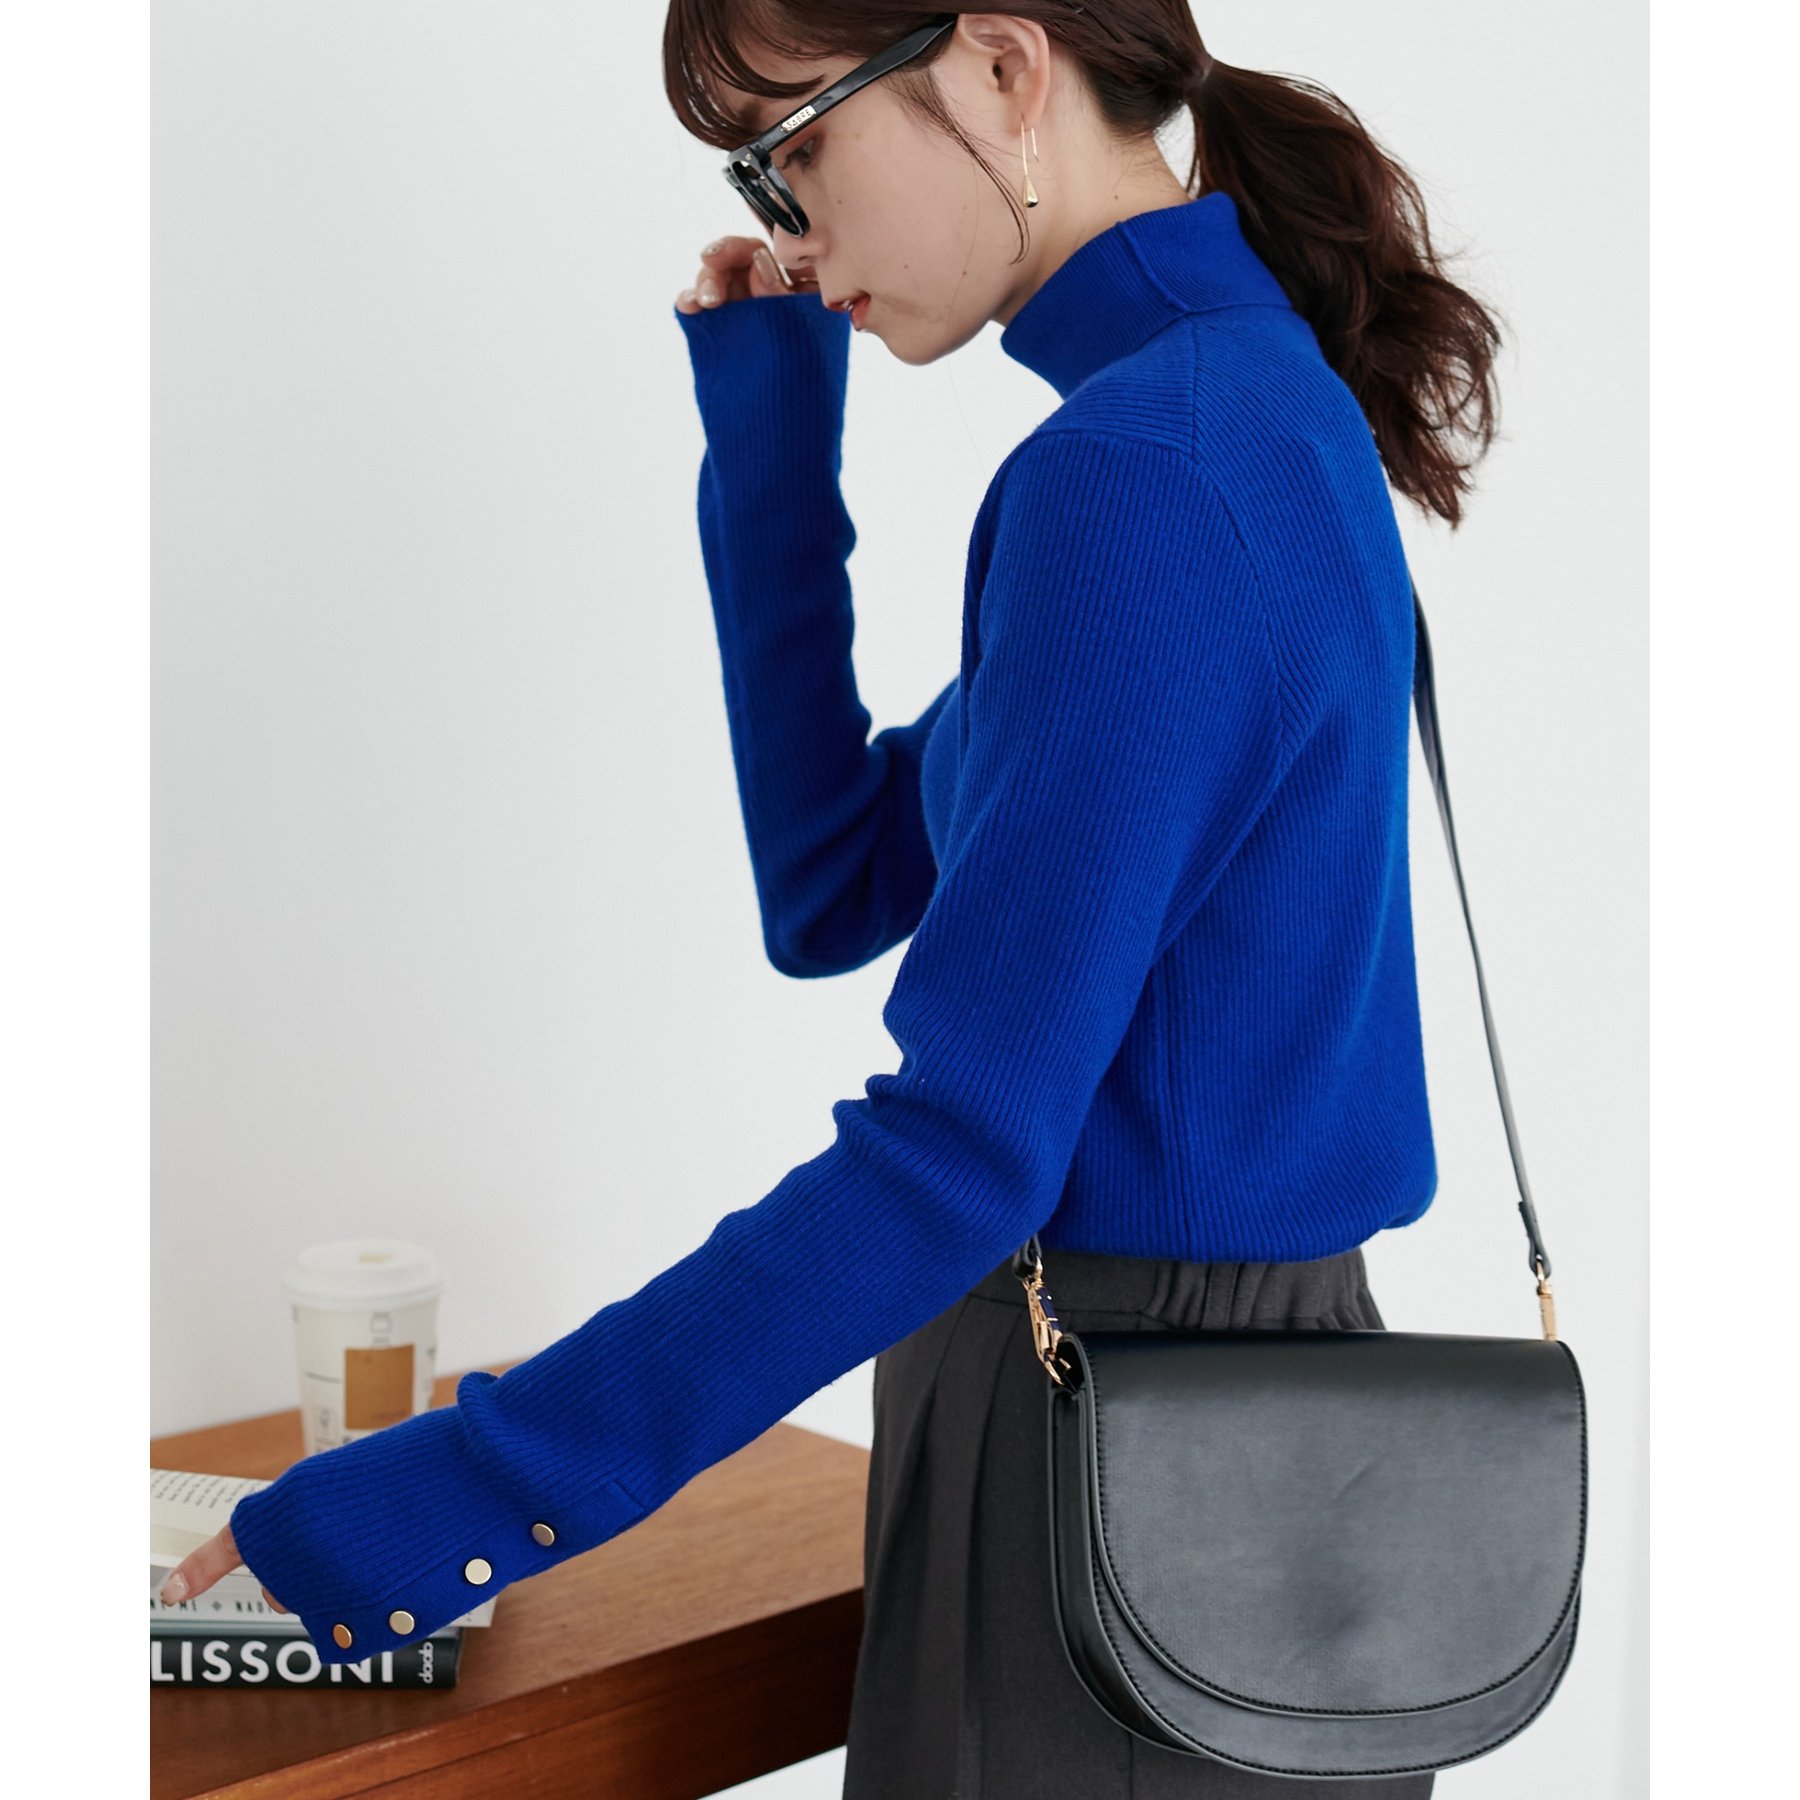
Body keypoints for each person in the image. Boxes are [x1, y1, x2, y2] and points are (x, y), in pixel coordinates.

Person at [168, 6, 1506, 1794]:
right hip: (1183, 1430)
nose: (792, 230)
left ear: (1005, 69)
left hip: (1123, 1434)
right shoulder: (1231, 408)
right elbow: (837, 877)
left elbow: (956, 1157)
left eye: (799, 145)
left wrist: (450, 1497)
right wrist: (777, 441)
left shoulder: (1148, 472)